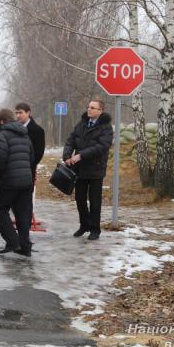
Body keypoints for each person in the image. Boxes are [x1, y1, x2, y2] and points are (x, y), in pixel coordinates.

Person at [63, 97, 113, 240]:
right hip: (79, 169)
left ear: (100, 111)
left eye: (93, 108)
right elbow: (70, 140)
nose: (89, 110)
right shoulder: (82, 124)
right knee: (79, 199)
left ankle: (95, 229)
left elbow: (102, 147)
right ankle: (84, 224)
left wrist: (81, 155)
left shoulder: (106, 127)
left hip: (96, 169)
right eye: (88, 107)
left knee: (95, 200)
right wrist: (67, 155)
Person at [0, 108, 34, 256]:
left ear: (2, 121)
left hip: (9, 181)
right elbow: (31, 158)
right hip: (26, 181)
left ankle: (12, 241)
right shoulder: (25, 134)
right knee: (23, 213)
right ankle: (25, 246)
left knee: (0, 210)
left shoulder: (1, 136)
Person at [14, 103, 45, 178]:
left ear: (28, 113)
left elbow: (39, 153)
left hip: (28, 171)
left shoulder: (38, 130)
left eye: (20, 112)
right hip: (13, 171)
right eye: (16, 113)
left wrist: (28, 165)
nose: (18, 115)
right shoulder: (13, 128)